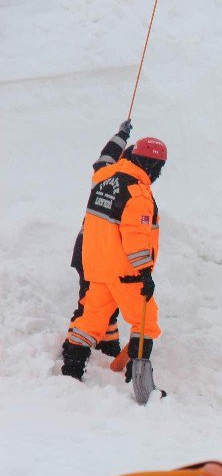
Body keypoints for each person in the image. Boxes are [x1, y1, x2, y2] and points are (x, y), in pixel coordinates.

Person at [62, 135, 168, 383]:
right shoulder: (138, 194)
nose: (158, 175)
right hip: (126, 274)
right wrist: (145, 273)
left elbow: (103, 160)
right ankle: (139, 380)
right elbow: (135, 238)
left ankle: (71, 371)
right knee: (146, 321)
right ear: (152, 166)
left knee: (91, 320)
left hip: (98, 269)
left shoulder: (103, 178)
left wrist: (119, 136)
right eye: (159, 169)